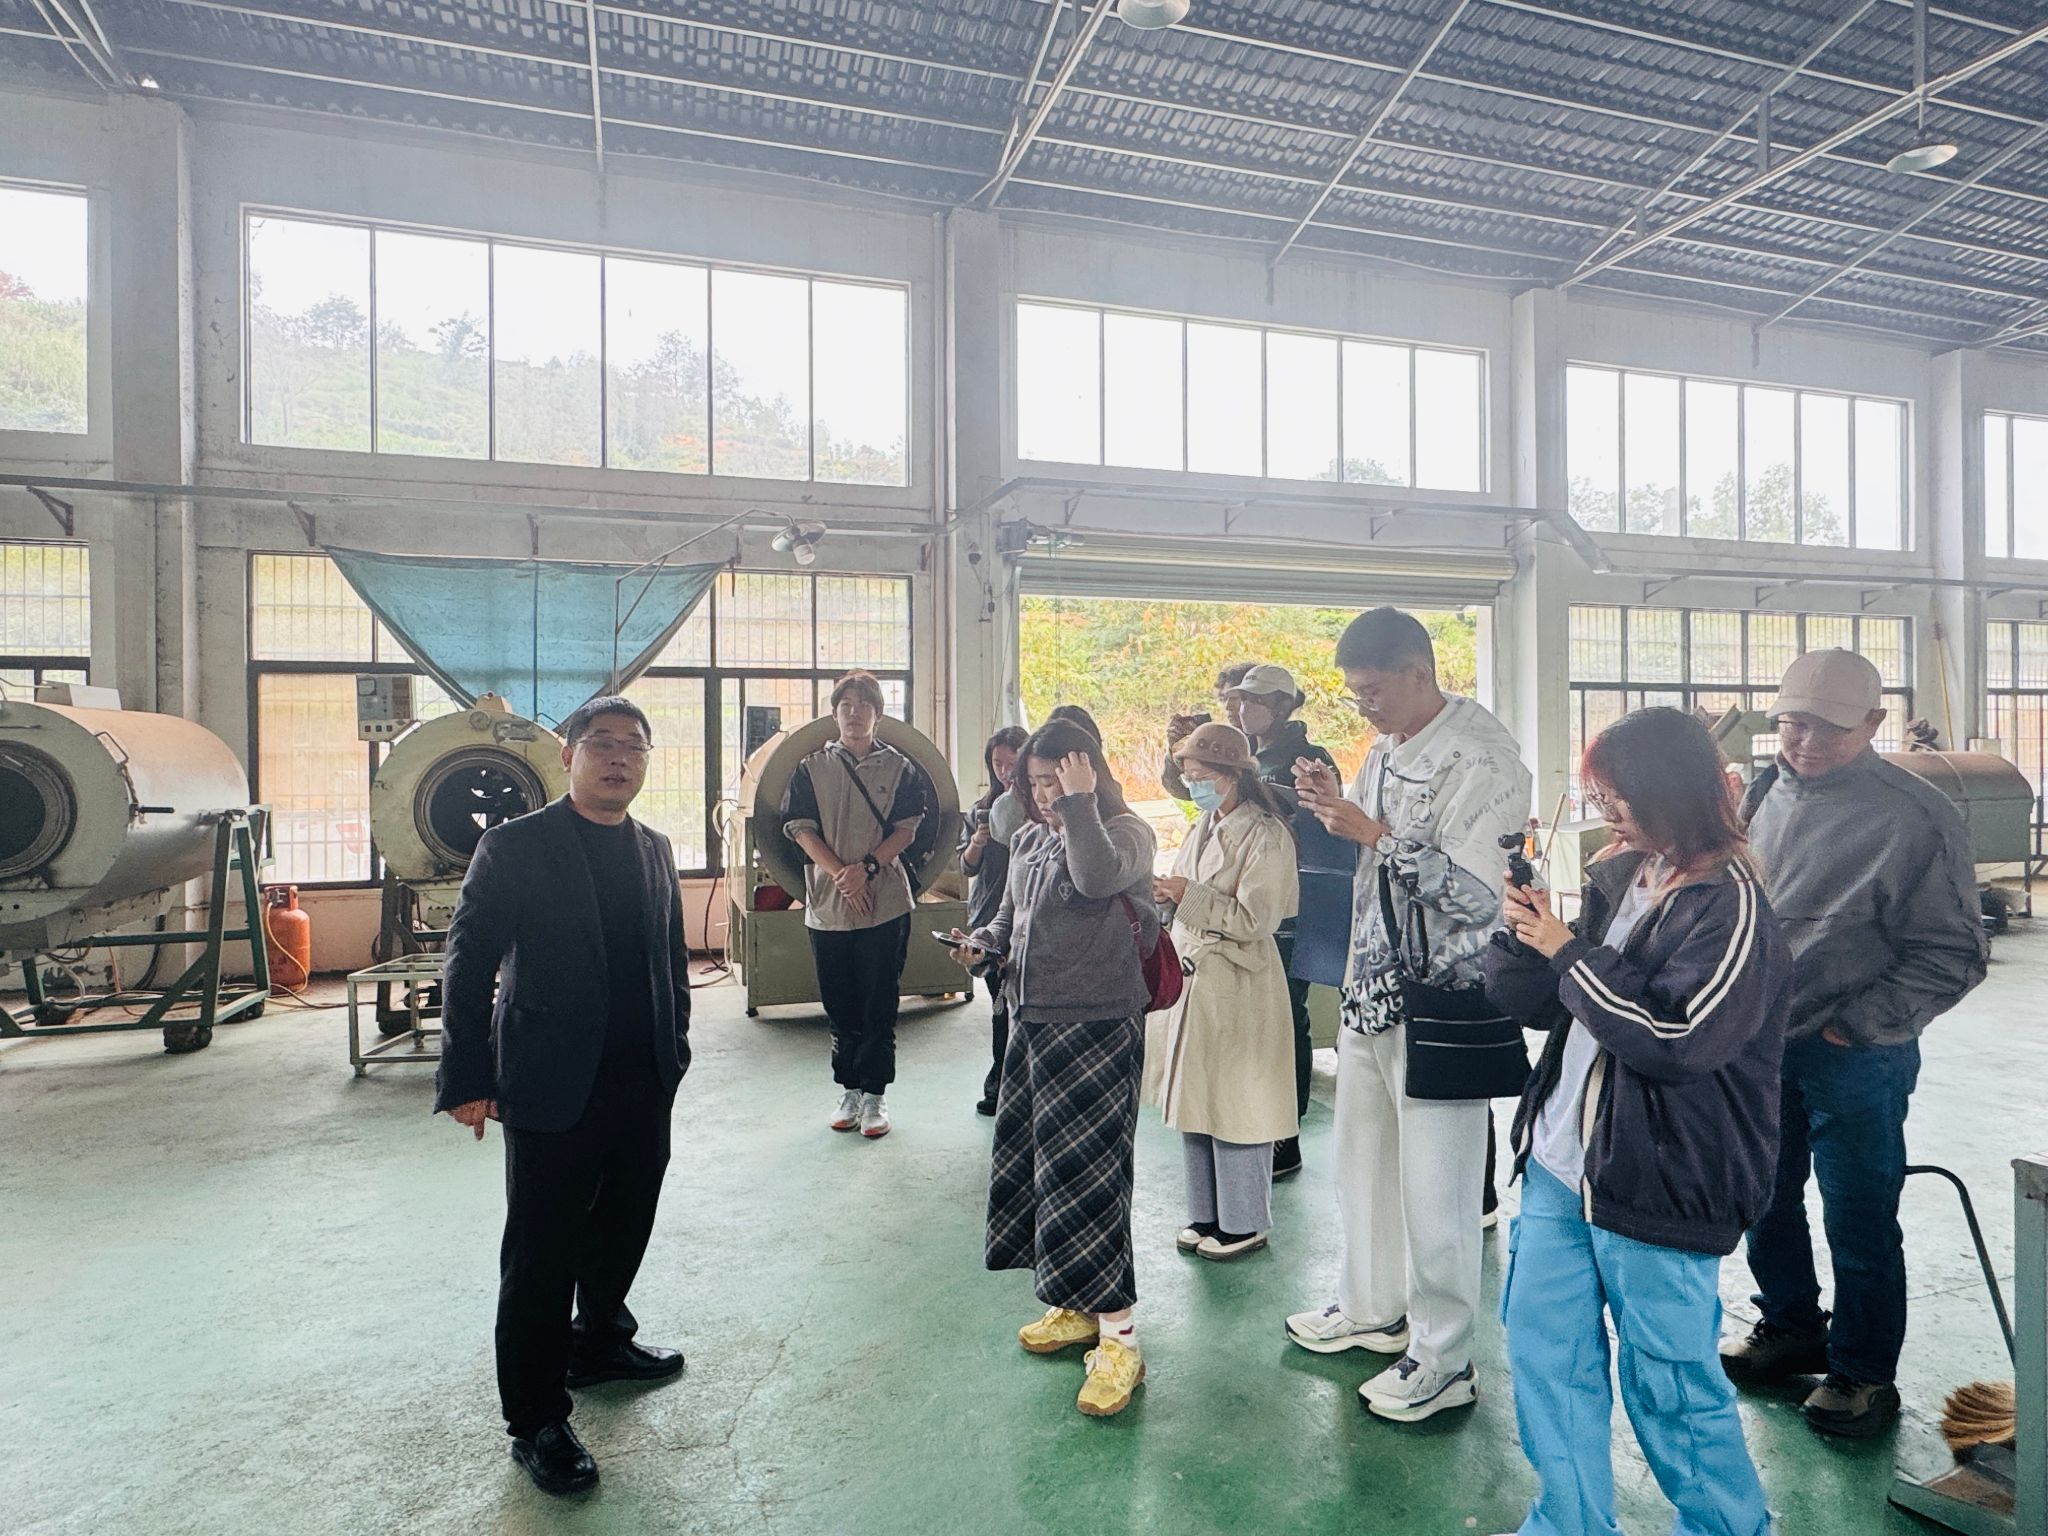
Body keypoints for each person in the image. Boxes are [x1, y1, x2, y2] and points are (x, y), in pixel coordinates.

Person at [1483, 706, 1790, 1536]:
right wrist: (1524, 936)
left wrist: (1566, 950)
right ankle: (1569, 1522)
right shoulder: (1627, 878)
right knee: (1547, 1360)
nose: (1606, 812)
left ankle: (1729, 1528)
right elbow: (1552, 1006)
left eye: (1617, 796)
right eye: (1601, 796)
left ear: (1669, 791)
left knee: (1671, 1386)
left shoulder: (1732, 908)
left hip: (1659, 1178)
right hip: (1563, 1166)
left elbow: (1677, 1039)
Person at [1722, 649, 1987, 1438]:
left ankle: (1864, 1374)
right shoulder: (1763, 793)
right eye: (1793, 724)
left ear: (1873, 723)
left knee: (1859, 1216)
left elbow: (1952, 953)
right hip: (1762, 1045)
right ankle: (1791, 1325)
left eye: (1829, 729)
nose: (1805, 742)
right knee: (1762, 1198)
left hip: (1855, 1056)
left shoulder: (1915, 816)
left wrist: (1854, 1029)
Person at [435, 695, 692, 1497]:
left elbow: (671, 960)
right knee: (541, 1254)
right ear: (569, 755)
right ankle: (537, 1419)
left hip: (642, 1077)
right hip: (550, 1080)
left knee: (624, 1223)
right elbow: (469, 962)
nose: (618, 758)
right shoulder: (515, 846)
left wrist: (675, 1050)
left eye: (634, 747)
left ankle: (600, 1341)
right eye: (602, 743)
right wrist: (468, 1077)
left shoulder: (654, 848)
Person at [1281, 607, 1530, 1424]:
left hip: (1443, 999)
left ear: (1419, 672)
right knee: (1363, 1162)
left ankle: (1444, 1356)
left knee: (1438, 1191)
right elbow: (1366, 846)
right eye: (1354, 694)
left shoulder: (1485, 759)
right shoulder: (1386, 748)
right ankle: (1373, 1307)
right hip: (1372, 988)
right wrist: (1332, 805)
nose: (1364, 707)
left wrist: (1374, 834)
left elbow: (1479, 895)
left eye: (1373, 691)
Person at [953, 719, 1160, 1419]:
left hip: (1098, 1027)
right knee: (1043, 1171)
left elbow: (1096, 877)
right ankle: (1075, 1302)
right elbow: (1007, 919)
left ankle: (1120, 1341)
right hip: (1033, 1021)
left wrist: (1079, 805)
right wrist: (982, 945)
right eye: (1036, 784)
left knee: (1092, 1180)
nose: (1044, 796)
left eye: (1056, 781)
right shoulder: (1030, 840)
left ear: (1088, 773)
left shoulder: (1126, 834)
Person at [1143, 723, 1299, 1261]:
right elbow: (1189, 891)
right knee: (1196, 1101)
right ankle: (1205, 1213)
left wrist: (1189, 895)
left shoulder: (1266, 834)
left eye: (1200, 775)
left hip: (1239, 977)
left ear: (1232, 774)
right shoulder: (1204, 825)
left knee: (1238, 1106)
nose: (1192, 785)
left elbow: (1257, 918)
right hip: (1195, 979)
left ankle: (1245, 1222)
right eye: (1187, 775)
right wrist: (1169, 894)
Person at [780, 670, 925, 1140]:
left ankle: (876, 1095)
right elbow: (801, 829)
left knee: (879, 1001)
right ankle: (850, 1089)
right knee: (840, 1003)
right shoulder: (810, 768)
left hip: (885, 903)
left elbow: (906, 830)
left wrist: (866, 868)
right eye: (846, 705)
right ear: (834, 714)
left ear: (878, 714)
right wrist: (843, 878)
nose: (855, 713)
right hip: (828, 904)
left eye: (864, 705)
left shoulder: (901, 768)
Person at [1227, 664, 1339, 1179]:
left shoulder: (1307, 760)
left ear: (1279, 706)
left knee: (1286, 1014)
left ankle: (1286, 1135)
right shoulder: (1249, 756)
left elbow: (1318, 826)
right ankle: (1258, 1122)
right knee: (1256, 1016)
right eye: (1239, 701)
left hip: (1291, 905)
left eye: (1253, 701)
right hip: (1250, 897)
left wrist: (1262, 797)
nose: (1242, 710)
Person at [963, 726, 1028, 1116]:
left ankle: (1012, 1082)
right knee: (1000, 1004)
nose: (1004, 771)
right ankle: (999, 1083)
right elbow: (966, 868)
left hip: (1029, 919)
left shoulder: (1039, 811)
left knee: (1022, 1006)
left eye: (1011, 763)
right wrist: (978, 841)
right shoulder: (982, 809)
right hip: (989, 918)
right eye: (997, 763)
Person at [1161, 661, 1254, 799]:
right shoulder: (1222, 742)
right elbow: (1183, 792)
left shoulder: (1277, 745)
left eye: (1234, 698)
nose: (1227, 706)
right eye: (1224, 699)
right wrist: (1178, 748)